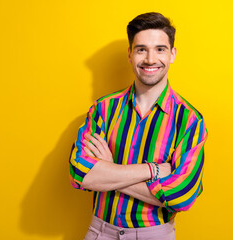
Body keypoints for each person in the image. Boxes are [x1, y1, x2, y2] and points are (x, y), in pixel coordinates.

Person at [69, 12, 208, 240]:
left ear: (172, 54)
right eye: (141, 49)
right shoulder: (103, 109)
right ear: (130, 54)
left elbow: (183, 196)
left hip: (155, 235)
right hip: (100, 232)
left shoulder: (189, 120)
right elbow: (80, 174)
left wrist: (109, 169)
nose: (150, 59)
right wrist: (153, 170)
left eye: (160, 49)